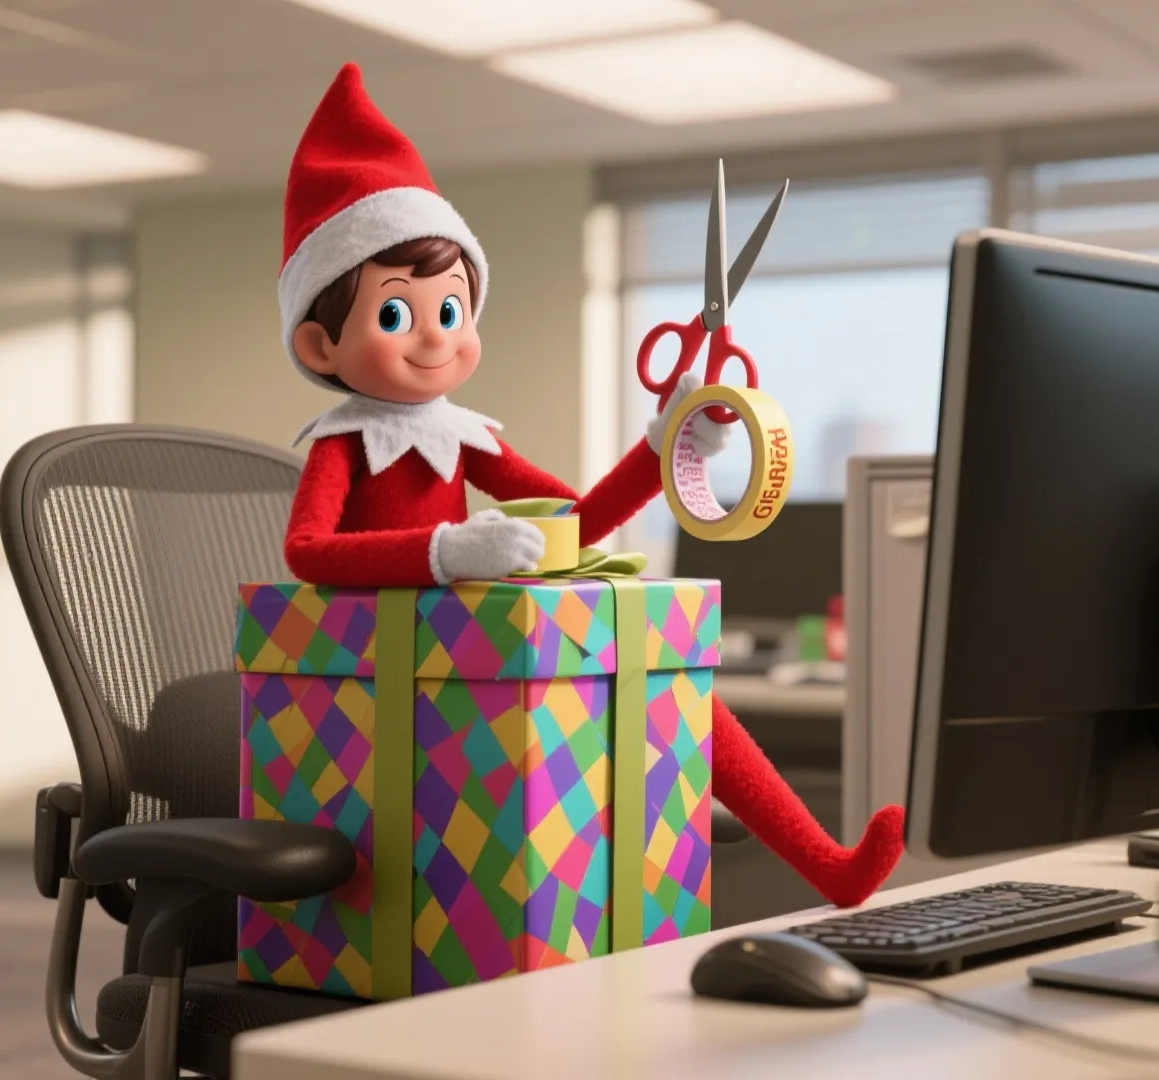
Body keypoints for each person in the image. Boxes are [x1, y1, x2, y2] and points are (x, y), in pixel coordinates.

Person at [276, 63, 904, 909]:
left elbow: (575, 519)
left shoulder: (465, 437)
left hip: (472, 654)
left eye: (451, 311)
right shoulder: (343, 443)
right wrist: (445, 550)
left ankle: (827, 863)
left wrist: (667, 445)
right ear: (322, 347)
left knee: (669, 679)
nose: (434, 340)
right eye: (397, 315)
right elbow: (308, 553)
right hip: (397, 676)